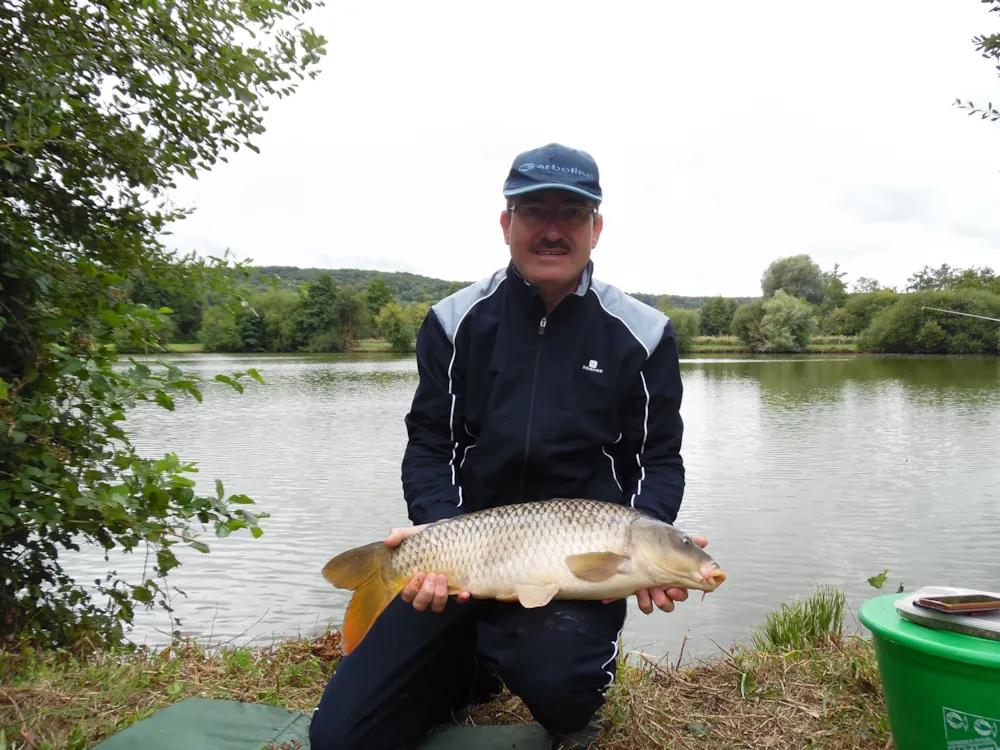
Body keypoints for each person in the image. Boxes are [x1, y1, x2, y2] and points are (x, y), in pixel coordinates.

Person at [308, 143, 704, 750]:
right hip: (466, 552)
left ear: (596, 228)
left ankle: (558, 683)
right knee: (342, 739)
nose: (552, 230)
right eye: (533, 212)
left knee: (560, 683)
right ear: (506, 225)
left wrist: (649, 544)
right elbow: (429, 446)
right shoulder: (453, 320)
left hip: (576, 561)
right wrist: (438, 535)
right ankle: (472, 664)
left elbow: (659, 459)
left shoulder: (643, 334)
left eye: (571, 214)